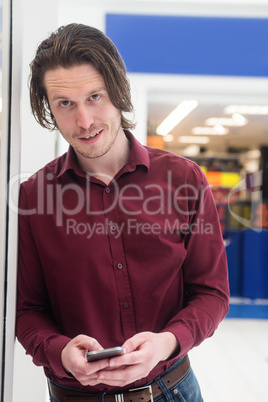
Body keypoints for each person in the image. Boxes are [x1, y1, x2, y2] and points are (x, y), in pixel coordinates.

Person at [16, 23, 229, 402]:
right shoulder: (34, 197)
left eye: (94, 96)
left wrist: (166, 343)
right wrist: (60, 351)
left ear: (118, 91)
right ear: (49, 108)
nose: (84, 121)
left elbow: (211, 292)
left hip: (171, 389)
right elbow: (26, 310)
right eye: (65, 103)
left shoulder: (183, 179)